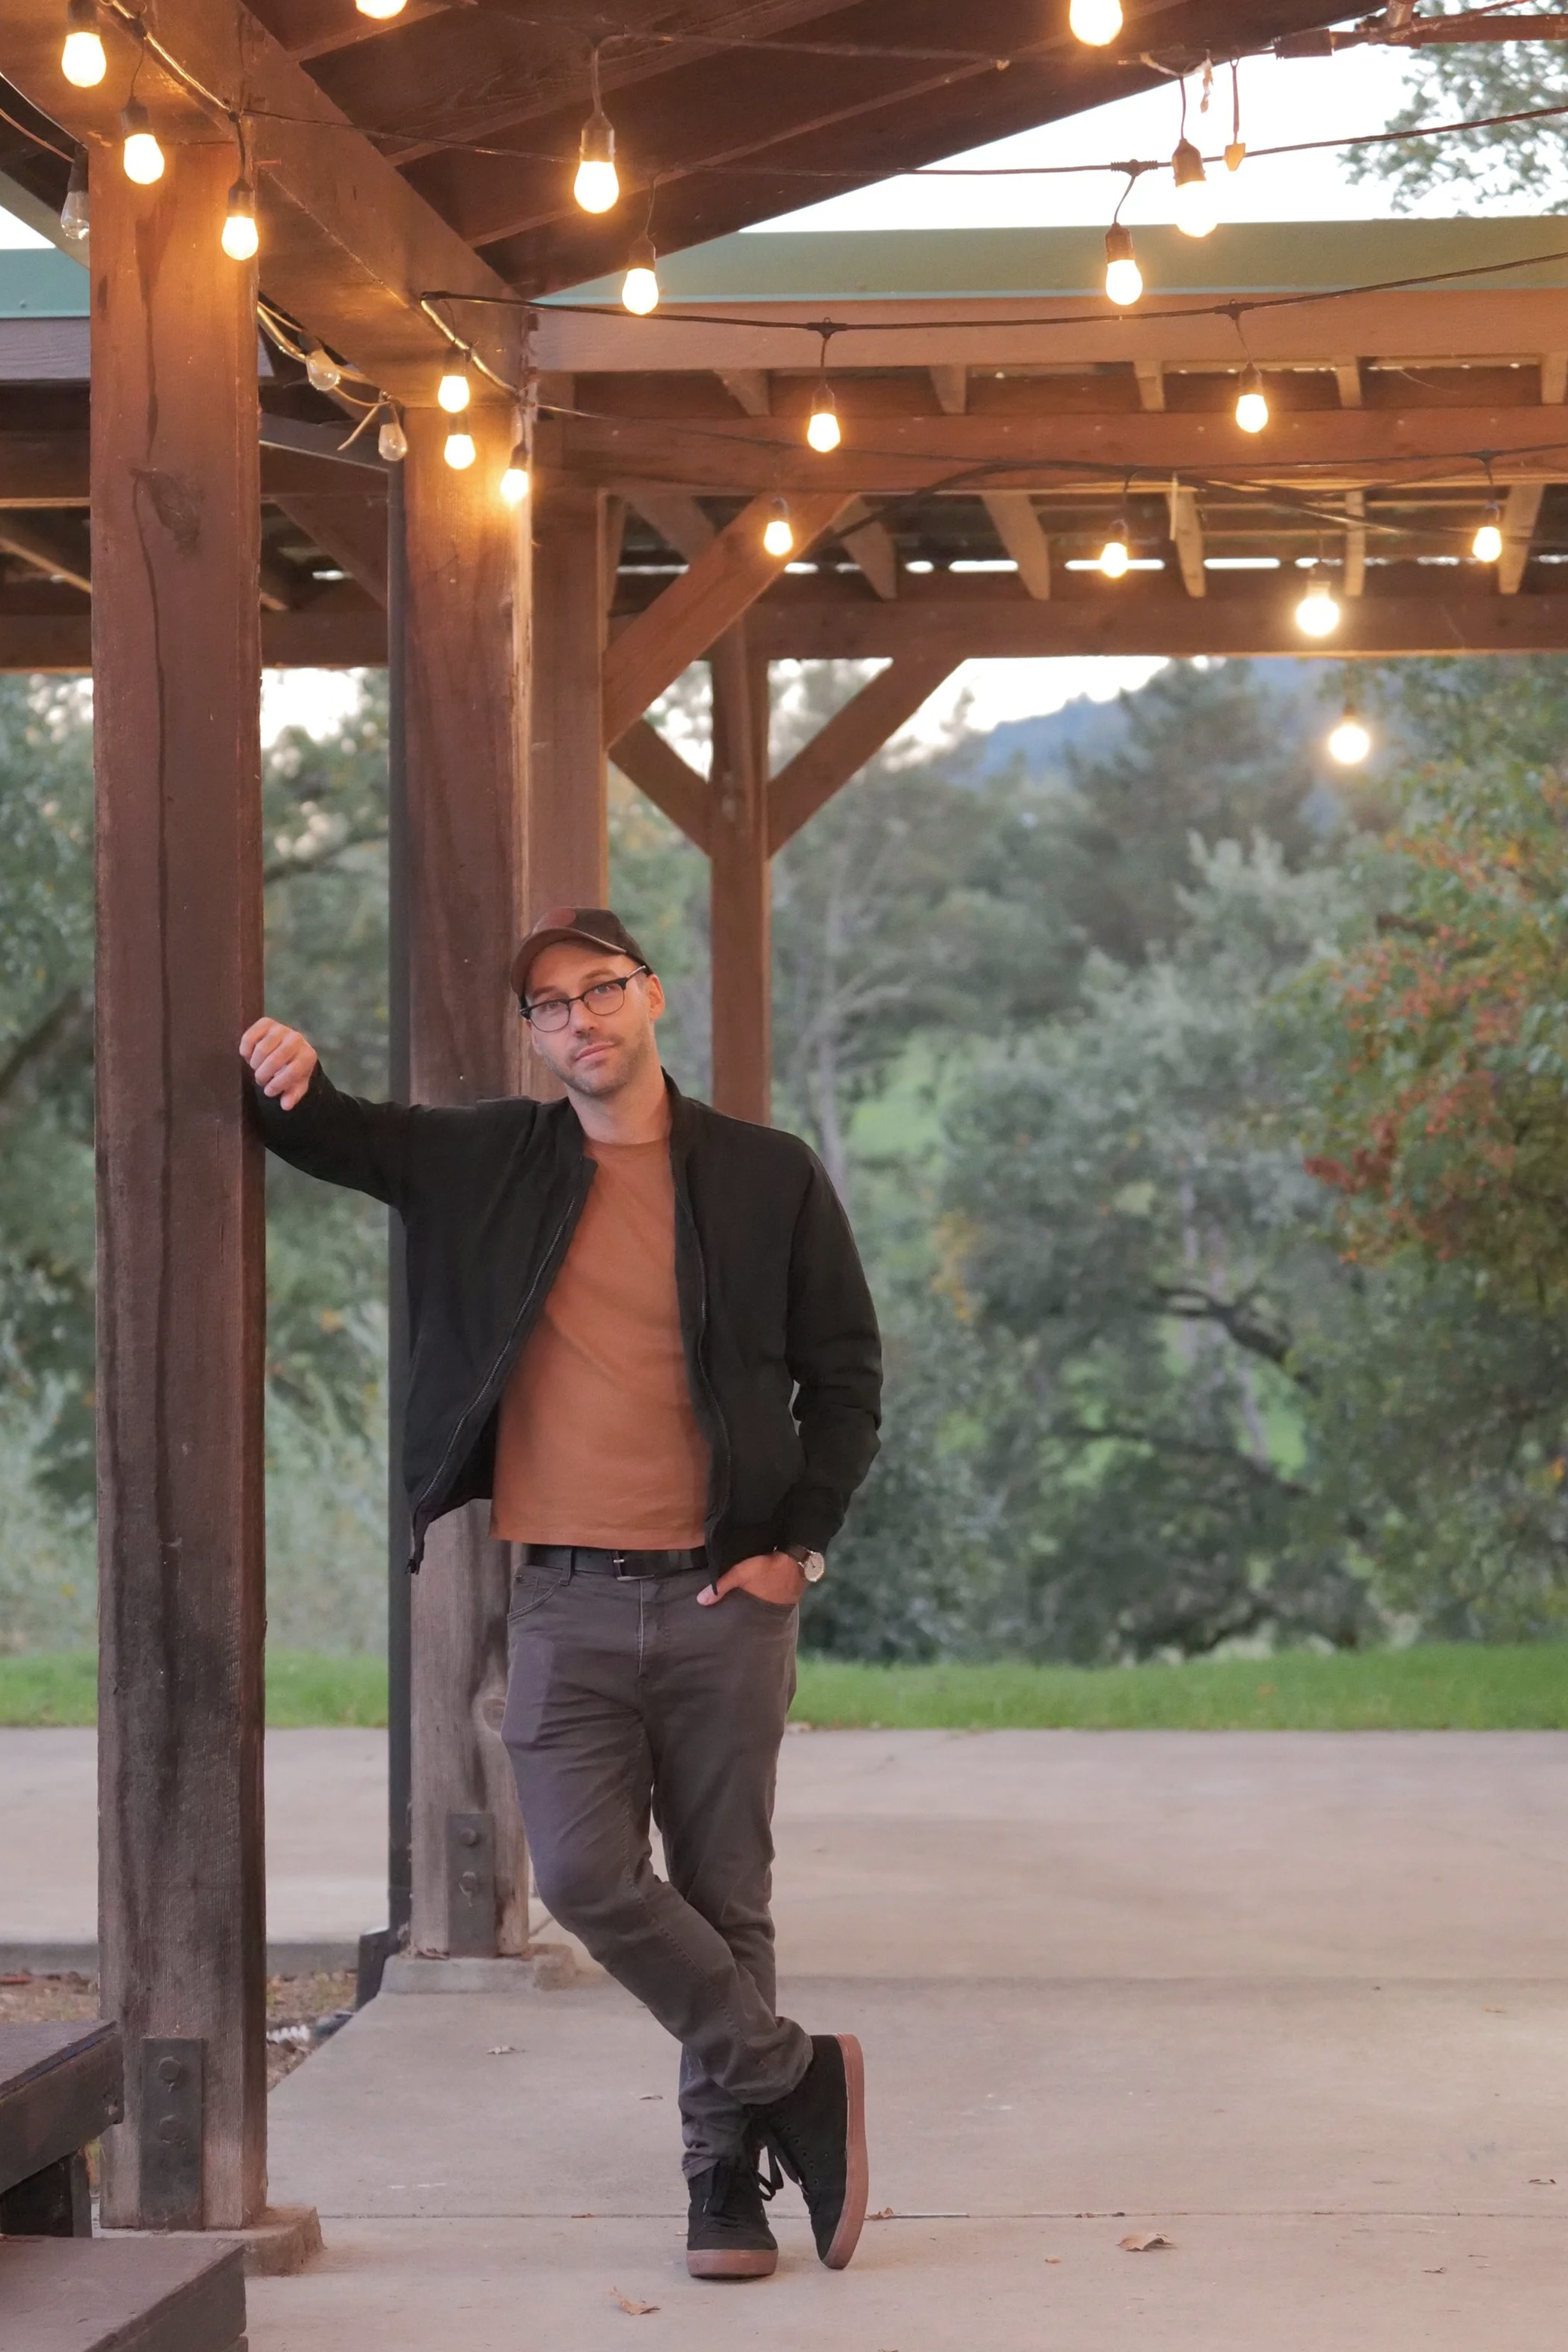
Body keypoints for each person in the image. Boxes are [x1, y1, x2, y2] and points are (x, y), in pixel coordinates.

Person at [240, 905, 882, 2283]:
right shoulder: (490, 1160)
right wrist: (286, 1072)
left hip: (723, 1598)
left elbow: (845, 1379)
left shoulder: (767, 1175)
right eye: (548, 1006)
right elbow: (341, 1136)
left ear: (651, 996)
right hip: (564, 1600)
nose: (577, 1020)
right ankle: (793, 2073)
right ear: (532, 1036)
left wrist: (800, 1546)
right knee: (587, 1876)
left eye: (599, 990)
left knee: (725, 1895)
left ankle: (723, 2182)